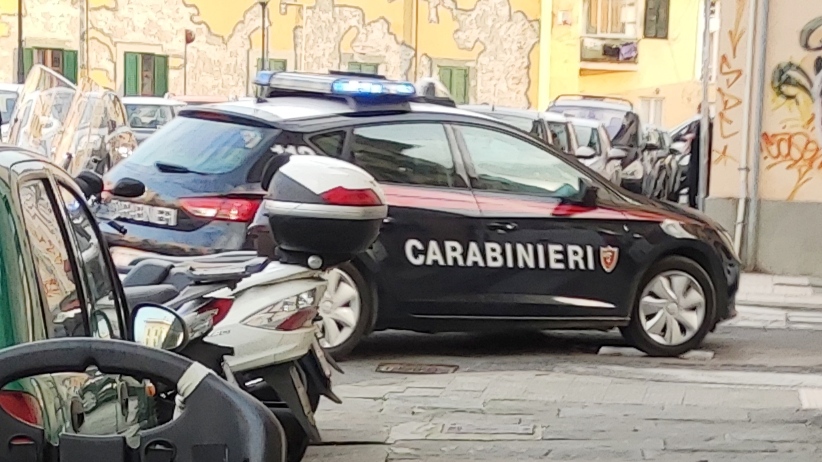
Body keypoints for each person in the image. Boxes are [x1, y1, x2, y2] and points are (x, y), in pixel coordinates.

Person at [686, 103, 713, 208]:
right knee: (695, 179)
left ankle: (693, 202)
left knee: (695, 179)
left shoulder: (700, 123)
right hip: (699, 156)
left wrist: (690, 139)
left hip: (699, 156)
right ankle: (693, 201)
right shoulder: (701, 123)